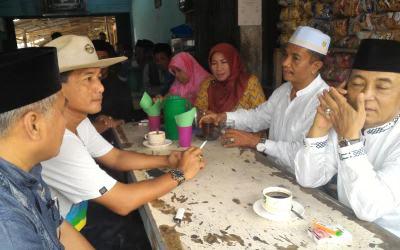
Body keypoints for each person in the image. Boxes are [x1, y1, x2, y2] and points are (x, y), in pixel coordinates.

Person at [41, 35, 204, 239]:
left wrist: (167, 159)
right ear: (56, 86)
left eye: (98, 77)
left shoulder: (78, 121)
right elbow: (122, 202)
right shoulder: (60, 141)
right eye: (88, 78)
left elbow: (115, 157)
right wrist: (181, 174)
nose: (100, 87)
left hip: (77, 217)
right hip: (62, 233)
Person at [294, 39, 400, 237]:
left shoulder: (350, 128)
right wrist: (319, 127)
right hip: (346, 229)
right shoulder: (348, 122)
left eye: (382, 87)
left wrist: (350, 139)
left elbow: (370, 208)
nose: (365, 95)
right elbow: (309, 178)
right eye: (358, 84)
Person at [200, 26, 330, 173]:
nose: (285, 63)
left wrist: (256, 142)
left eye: (295, 58)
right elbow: (258, 117)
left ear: (315, 66)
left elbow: (303, 154)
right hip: (274, 172)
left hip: (303, 184)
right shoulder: (283, 91)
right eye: (286, 55)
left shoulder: (324, 102)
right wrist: (223, 117)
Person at [0, 47, 92, 249]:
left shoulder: (28, 169)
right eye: (61, 111)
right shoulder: (7, 226)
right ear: (33, 124)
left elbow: (59, 228)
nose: (65, 120)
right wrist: (177, 173)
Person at [195, 43, 266, 112]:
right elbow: (198, 111)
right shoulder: (207, 84)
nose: (219, 68)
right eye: (214, 63)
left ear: (233, 62)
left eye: (224, 62)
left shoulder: (250, 83)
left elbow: (262, 115)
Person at [89, 39, 133, 133]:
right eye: (97, 59)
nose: (101, 64)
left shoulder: (120, 86)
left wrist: (118, 121)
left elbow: (129, 115)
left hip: (117, 134)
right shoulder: (83, 88)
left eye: (104, 59)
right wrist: (97, 120)